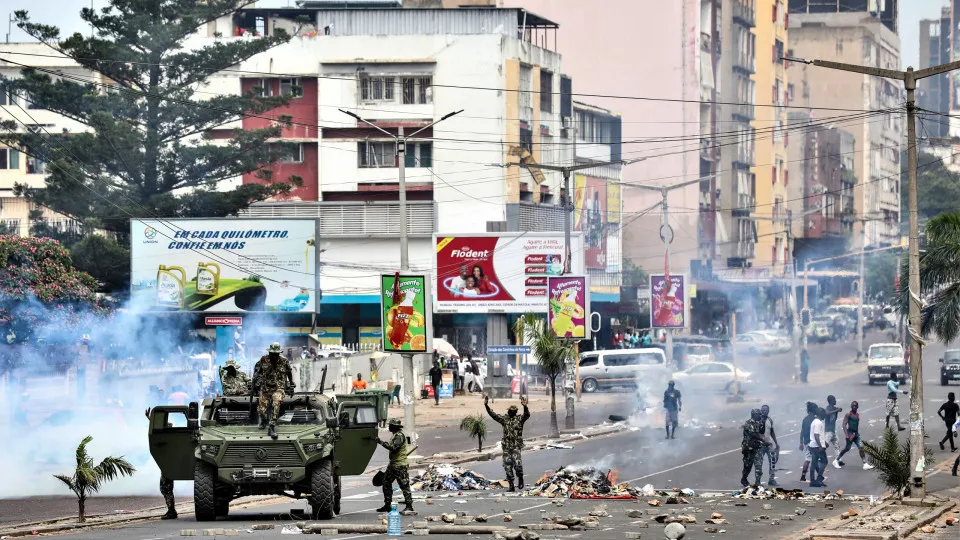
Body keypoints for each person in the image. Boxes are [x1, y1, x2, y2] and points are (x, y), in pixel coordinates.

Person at [485, 395, 530, 492]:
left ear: (516, 412)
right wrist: (486, 405)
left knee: (518, 465)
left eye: (513, 410)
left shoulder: (519, 419)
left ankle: (520, 478)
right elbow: (494, 415)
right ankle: (511, 485)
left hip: (516, 446)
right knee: (507, 466)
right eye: (510, 410)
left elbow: (527, 415)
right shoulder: (504, 419)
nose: (512, 412)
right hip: (506, 447)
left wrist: (525, 406)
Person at [252, 342, 295, 439]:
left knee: (276, 403)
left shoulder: (284, 361)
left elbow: (289, 373)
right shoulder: (264, 359)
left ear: (279, 353)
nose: (274, 356)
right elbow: (257, 372)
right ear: (269, 353)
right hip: (266, 388)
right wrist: (255, 383)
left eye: (276, 354)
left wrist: (291, 383)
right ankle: (264, 420)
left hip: (278, 388)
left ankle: (271, 427)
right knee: (261, 410)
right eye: (272, 354)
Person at [145, 408, 177, 520]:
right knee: (165, 488)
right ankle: (171, 510)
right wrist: (150, 419)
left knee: (165, 488)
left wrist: (151, 419)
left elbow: (162, 426)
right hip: (167, 464)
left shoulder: (170, 435)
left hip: (168, 465)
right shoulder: (170, 435)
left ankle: (171, 511)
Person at [376, 419, 413, 513]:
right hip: (393, 464)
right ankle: (387, 505)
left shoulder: (399, 436)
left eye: (391, 425)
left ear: (395, 427)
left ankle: (409, 506)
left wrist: (380, 442)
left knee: (404, 485)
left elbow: (393, 448)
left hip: (400, 465)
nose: (389, 427)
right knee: (386, 482)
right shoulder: (395, 435)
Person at [835, 400, 874, 470]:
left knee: (861, 447)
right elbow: (844, 425)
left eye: (855, 406)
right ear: (851, 406)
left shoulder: (857, 415)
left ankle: (865, 464)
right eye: (853, 406)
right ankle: (836, 460)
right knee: (847, 449)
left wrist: (856, 433)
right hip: (850, 434)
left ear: (858, 407)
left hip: (856, 434)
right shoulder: (848, 414)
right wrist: (847, 435)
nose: (854, 407)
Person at [740, 408, 768, 487]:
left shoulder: (760, 423)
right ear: (753, 415)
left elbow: (761, 433)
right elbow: (754, 434)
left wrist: (763, 423)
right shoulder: (748, 423)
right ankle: (744, 479)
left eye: (760, 414)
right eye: (757, 414)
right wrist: (763, 440)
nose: (759, 416)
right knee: (747, 466)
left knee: (759, 465)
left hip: (757, 447)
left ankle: (758, 482)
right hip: (748, 448)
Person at [758, 404, 780, 487]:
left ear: (768, 411)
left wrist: (776, 443)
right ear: (761, 410)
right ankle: (758, 480)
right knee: (759, 462)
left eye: (766, 410)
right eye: (763, 410)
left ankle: (771, 479)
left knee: (772, 462)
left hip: (769, 444)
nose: (764, 411)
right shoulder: (758, 420)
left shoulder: (769, 420)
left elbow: (772, 432)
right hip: (760, 445)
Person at [808, 407, 828, 488]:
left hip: (812, 445)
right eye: (824, 414)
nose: (825, 415)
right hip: (817, 446)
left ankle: (813, 481)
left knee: (814, 463)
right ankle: (819, 478)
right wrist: (821, 446)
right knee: (824, 461)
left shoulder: (814, 421)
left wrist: (825, 443)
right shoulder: (818, 423)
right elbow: (816, 435)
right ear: (820, 414)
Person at [800, 401, 817, 482]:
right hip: (812, 442)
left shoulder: (805, 419)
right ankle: (808, 476)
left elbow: (802, 431)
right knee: (811, 459)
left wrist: (801, 442)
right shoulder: (814, 420)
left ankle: (803, 476)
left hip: (806, 441)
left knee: (809, 458)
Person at [824, 395, 843, 463]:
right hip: (828, 431)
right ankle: (818, 456)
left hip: (833, 430)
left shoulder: (834, 408)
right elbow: (827, 413)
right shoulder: (828, 408)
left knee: (837, 445)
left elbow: (834, 419)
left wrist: (837, 411)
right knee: (824, 445)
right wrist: (836, 410)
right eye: (834, 399)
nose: (835, 401)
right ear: (831, 401)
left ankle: (839, 459)